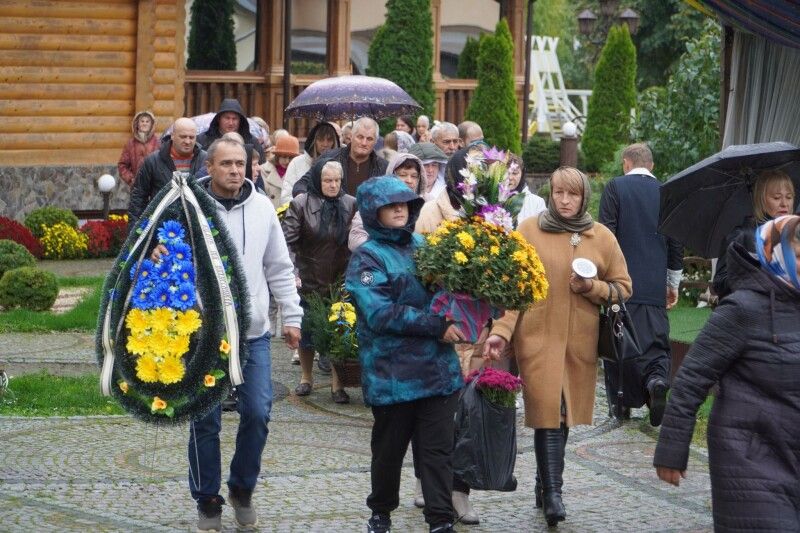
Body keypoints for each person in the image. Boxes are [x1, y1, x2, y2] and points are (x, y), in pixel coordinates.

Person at [484, 166, 632, 528]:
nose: (565, 201)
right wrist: (502, 331)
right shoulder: (529, 230)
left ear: (584, 198)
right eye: (559, 193)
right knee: (548, 409)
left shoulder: (601, 237)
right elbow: (512, 288)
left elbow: (623, 288)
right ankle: (554, 493)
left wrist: (592, 288)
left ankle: (543, 482)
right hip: (536, 338)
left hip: (579, 343)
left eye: (573, 194)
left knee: (562, 414)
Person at [182, 137, 302, 532]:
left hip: (253, 333)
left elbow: (279, 267)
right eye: (227, 164)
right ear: (210, 167)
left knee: (257, 412)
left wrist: (293, 316)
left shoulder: (263, 207)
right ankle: (208, 498)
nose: (236, 170)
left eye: (242, 164)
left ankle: (242, 488)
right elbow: (165, 256)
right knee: (205, 419)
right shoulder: (189, 207)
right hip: (202, 334)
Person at [654, 214, 800, 532]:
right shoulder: (742, 310)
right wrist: (671, 451)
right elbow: (691, 380)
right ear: (775, 254)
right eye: (798, 255)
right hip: (749, 462)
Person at [345, 175, 465, 533]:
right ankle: (380, 512)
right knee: (389, 451)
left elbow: (452, 291)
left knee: (437, 453)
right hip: (392, 375)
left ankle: (441, 520)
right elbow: (380, 313)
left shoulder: (425, 245)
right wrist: (435, 325)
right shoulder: (367, 258)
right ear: (372, 210)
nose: (400, 209)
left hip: (438, 372)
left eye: (405, 203)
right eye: (390, 204)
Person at [598, 143, 684, 425]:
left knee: (620, 343)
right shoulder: (668, 193)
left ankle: (620, 404)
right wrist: (673, 283)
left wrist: (602, 279)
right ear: (651, 166)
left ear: (626, 163)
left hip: (620, 286)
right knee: (657, 343)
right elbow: (675, 243)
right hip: (654, 287)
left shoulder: (615, 188)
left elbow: (605, 235)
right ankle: (656, 383)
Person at [281, 158, 357, 404]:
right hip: (308, 277)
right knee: (307, 332)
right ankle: (306, 377)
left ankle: (338, 383)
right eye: (327, 180)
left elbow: (356, 242)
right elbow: (287, 242)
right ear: (317, 180)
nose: (333, 185)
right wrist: (292, 272)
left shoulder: (350, 203)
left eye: (337, 180)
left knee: (339, 330)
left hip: (339, 278)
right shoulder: (301, 203)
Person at [712, 169, 795, 299]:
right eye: (776, 198)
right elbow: (719, 284)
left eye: (789, 197)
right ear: (761, 200)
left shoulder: (792, 237)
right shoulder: (740, 236)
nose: (784, 203)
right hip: (754, 314)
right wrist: (754, 272)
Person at [128, 117, 207, 228]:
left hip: (198, 229)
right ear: (172, 136)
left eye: (191, 137)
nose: (188, 141)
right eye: (183, 137)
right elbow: (138, 198)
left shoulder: (206, 160)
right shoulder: (153, 161)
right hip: (161, 230)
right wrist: (134, 235)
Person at [292, 117, 388, 198]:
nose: (364, 143)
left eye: (369, 139)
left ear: (375, 141)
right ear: (351, 136)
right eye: (360, 137)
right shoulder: (329, 157)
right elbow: (302, 184)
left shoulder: (383, 167)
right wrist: (303, 198)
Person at [349, 152, 425, 251]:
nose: (409, 180)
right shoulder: (374, 203)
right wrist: (385, 252)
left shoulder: (427, 203)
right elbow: (355, 240)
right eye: (403, 175)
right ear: (391, 175)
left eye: (414, 176)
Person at [196, 98, 265, 179]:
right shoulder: (203, 139)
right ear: (219, 119)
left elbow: (260, 167)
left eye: (234, 119)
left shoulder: (252, 141)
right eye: (227, 118)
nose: (231, 123)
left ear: (240, 120)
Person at [280, 122, 340, 206]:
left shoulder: (340, 164)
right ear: (314, 141)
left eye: (329, 140)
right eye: (321, 139)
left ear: (334, 142)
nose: (325, 144)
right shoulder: (297, 163)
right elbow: (286, 196)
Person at [118, 110, 159, 188]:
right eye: (142, 121)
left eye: (147, 121)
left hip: (155, 186)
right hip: (137, 187)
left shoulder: (158, 142)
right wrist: (131, 179)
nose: (144, 123)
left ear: (151, 124)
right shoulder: (130, 144)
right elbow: (122, 165)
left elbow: (164, 163)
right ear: (137, 124)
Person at [259, 134, 300, 208]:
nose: (287, 161)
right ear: (277, 156)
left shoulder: (300, 173)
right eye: (284, 156)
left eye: (291, 158)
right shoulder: (262, 170)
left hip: (290, 216)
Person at [507, 153, 546, 223]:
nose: (510, 178)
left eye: (515, 173)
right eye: (506, 173)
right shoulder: (490, 201)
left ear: (522, 174)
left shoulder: (537, 203)